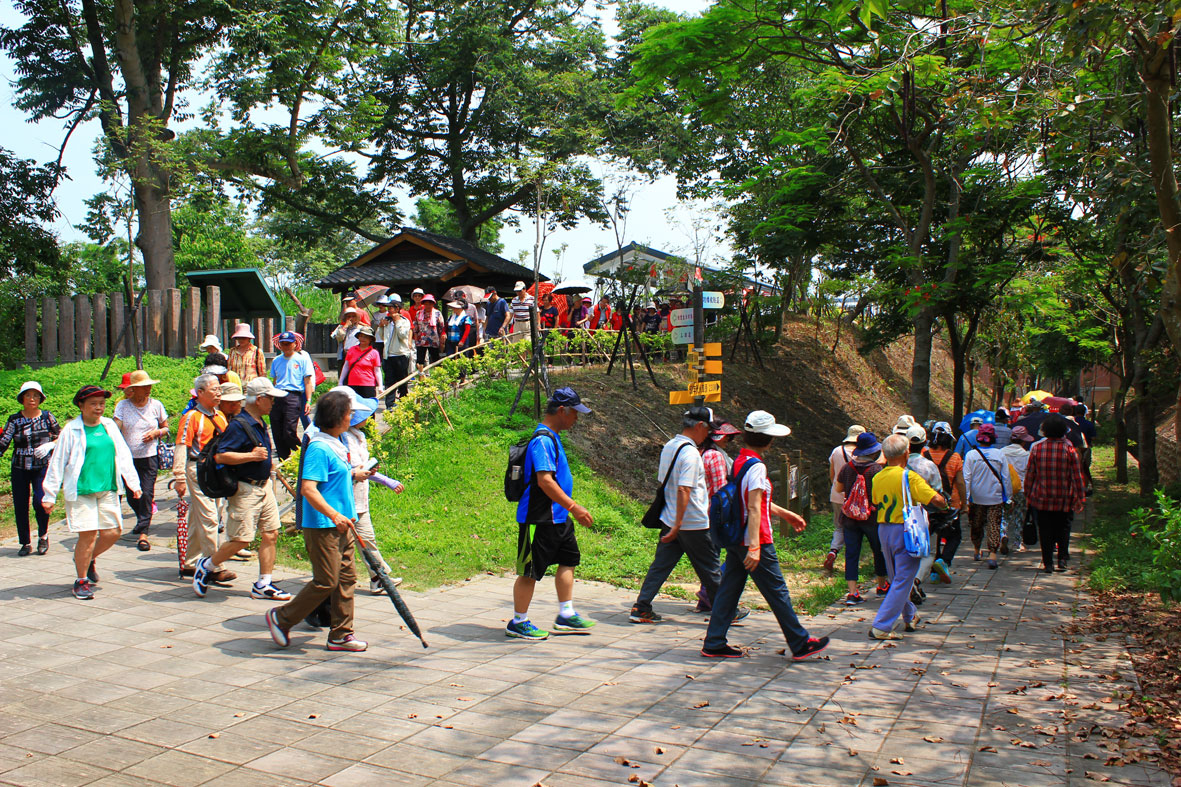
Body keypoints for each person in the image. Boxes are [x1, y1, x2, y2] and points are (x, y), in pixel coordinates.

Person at [700, 411, 829, 660]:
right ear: (769, 439)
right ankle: (800, 642)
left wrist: (786, 514)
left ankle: (714, 642)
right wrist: (756, 546)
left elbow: (753, 500)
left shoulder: (740, 460)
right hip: (754, 538)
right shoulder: (757, 466)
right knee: (777, 591)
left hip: (739, 537)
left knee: (729, 590)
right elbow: (754, 506)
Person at [266, 391, 366, 652]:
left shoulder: (336, 442)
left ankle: (341, 633)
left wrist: (356, 474)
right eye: (349, 412)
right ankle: (281, 617)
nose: (352, 416)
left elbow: (335, 478)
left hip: (344, 524)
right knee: (326, 580)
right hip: (323, 526)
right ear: (338, 417)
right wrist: (333, 514)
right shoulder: (319, 447)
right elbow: (308, 488)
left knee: (346, 579)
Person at [629, 407, 746, 625]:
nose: (708, 435)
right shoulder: (691, 453)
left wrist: (674, 523)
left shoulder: (670, 446)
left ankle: (641, 607)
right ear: (700, 426)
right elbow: (684, 489)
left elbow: (664, 482)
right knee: (711, 568)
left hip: (670, 518)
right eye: (708, 429)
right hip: (691, 522)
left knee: (660, 566)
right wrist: (680, 523)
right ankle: (728, 611)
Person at [507, 387, 596, 640]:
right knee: (530, 571)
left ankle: (565, 615)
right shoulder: (543, 440)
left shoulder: (554, 437)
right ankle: (518, 621)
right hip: (539, 518)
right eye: (575, 413)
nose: (576, 419)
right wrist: (574, 507)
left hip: (558, 518)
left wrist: (567, 511)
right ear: (561, 411)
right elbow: (545, 481)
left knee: (569, 560)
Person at [192, 378, 291, 601]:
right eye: (271, 399)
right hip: (246, 490)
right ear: (259, 399)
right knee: (242, 539)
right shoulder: (239, 425)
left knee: (271, 533)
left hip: (263, 487)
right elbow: (221, 455)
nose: (274, 403)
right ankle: (207, 565)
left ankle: (263, 583)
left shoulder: (260, 422)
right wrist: (251, 456)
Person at [42, 386, 141, 600]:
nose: (98, 408)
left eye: (102, 404)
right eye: (93, 404)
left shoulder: (109, 426)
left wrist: (134, 483)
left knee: (113, 532)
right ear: (81, 405)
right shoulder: (71, 430)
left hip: (108, 489)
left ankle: (86, 559)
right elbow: (57, 462)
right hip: (81, 491)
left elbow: (123, 454)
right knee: (87, 536)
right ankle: (81, 580)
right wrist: (49, 495)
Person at [867, 435, 947, 640]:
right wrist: (946, 503)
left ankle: (909, 615)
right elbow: (934, 499)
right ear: (906, 453)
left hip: (883, 530)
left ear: (884, 454)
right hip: (906, 531)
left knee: (896, 577)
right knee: (903, 579)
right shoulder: (908, 477)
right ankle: (882, 625)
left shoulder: (877, 477)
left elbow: (876, 500)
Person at [173, 374, 236, 583]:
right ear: (200, 393)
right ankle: (215, 565)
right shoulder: (191, 417)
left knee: (197, 517)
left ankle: (190, 563)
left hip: (215, 470)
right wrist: (179, 476)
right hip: (196, 469)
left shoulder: (219, 416)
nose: (219, 393)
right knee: (210, 518)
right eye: (214, 389)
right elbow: (181, 446)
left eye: (219, 389)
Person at [340, 392, 404, 594]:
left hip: (359, 498)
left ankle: (378, 577)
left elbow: (363, 469)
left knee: (367, 539)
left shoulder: (359, 437)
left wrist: (385, 479)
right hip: (344, 499)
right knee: (343, 546)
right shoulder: (343, 439)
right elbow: (347, 470)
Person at [0, 381, 61, 556]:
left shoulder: (47, 417)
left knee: (40, 501)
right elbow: (5, 440)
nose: (32, 399)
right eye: (28, 395)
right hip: (20, 466)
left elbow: (62, 437)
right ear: (22, 398)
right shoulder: (15, 419)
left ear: (40, 398)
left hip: (41, 466)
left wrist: (50, 445)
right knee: (20, 503)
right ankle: (25, 542)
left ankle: (43, 536)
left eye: (35, 395)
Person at [112, 370, 169, 551]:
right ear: (133, 390)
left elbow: (166, 427)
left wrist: (156, 433)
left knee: (146, 493)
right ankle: (142, 519)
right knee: (131, 495)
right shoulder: (123, 406)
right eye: (144, 387)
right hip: (127, 459)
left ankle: (143, 533)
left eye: (149, 386)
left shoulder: (156, 405)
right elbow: (116, 427)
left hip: (149, 456)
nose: (148, 390)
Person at [1024, 414, 1086, 573]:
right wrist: (1080, 497)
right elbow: (1076, 475)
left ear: (1044, 431)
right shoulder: (1069, 449)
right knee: (1064, 528)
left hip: (1042, 498)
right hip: (1064, 498)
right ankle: (1062, 559)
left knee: (1045, 530)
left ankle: (1048, 563)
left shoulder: (1037, 448)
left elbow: (1030, 474)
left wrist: (1028, 495)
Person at [835, 431, 889, 606]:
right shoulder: (876, 470)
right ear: (874, 452)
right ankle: (881, 586)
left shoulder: (847, 467)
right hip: (871, 518)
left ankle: (852, 592)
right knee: (878, 550)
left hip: (850, 518)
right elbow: (881, 495)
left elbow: (838, 489)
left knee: (852, 554)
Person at [697, 419, 742, 612]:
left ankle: (706, 598)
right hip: (713, 514)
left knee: (712, 558)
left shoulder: (704, 453)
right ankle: (709, 595)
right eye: (726, 437)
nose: (728, 441)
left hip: (703, 512)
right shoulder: (715, 456)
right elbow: (719, 489)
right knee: (717, 559)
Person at [962, 423, 1013, 569]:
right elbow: (1006, 478)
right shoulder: (1000, 454)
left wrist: (966, 499)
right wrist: (1008, 497)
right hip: (995, 497)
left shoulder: (971, 455)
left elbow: (967, 478)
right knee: (994, 524)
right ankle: (992, 555)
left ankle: (977, 550)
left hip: (976, 498)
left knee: (976, 524)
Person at [906, 424, 948, 599]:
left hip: (904, 513)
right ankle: (916, 581)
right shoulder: (929, 465)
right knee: (928, 551)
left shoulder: (900, 465)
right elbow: (937, 490)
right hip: (925, 514)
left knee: (906, 551)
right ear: (925, 442)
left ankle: (908, 584)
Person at [921, 423, 967, 572]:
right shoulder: (955, 457)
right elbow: (960, 482)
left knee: (931, 533)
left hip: (928, 503)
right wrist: (964, 503)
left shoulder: (924, 456)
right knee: (954, 536)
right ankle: (944, 561)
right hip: (950, 504)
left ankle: (932, 566)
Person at [824, 425, 865, 572]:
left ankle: (833, 550)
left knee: (839, 526)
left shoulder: (836, 451)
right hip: (856, 498)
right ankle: (852, 562)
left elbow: (832, 474)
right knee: (854, 529)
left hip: (836, 494)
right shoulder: (861, 454)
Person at [269, 331, 315, 459]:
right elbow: (275, 380)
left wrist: (308, 401)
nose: (286, 346)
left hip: (294, 395)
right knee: (277, 430)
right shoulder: (276, 361)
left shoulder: (301, 359)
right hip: (278, 395)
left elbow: (307, 381)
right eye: (283, 344)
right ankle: (284, 458)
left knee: (289, 430)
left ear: (295, 344)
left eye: (288, 344)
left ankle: (302, 452)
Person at [1001, 425, 1034, 553]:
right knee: (1019, 516)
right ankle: (1017, 542)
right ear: (1023, 440)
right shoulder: (1026, 455)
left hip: (1005, 490)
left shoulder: (1001, 452)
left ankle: (1003, 535)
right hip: (1021, 489)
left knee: (1004, 515)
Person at [379, 294, 414, 407]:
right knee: (389, 381)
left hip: (401, 354)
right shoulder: (386, 321)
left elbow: (402, 335)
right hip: (388, 355)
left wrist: (397, 321)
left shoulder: (404, 321)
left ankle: (404, 402)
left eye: (391, 308)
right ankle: (389, 404)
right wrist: (381, 326)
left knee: (402, 380)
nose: (389, 310)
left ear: (397, 309)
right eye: (388, 308)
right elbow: (381, 336)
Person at [340, 325, 383, 398]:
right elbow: (346, 366)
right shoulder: (352, 350)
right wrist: (340, 381)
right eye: (361, 336)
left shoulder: (374, 352)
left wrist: (380, 386)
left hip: (368, 384)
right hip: (352, 383)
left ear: (370, 339)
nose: (363, 338)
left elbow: (377, 371)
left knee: (367, 406)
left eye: (366, 337)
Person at [413, 294, 445, 372]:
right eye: (426, 303)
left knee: (435, 359)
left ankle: (438, 376)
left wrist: (442, 337)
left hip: (433, 340)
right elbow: (416, 326)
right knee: (420, 360)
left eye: (430, 303)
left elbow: (441, 326)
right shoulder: (418, 313)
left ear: (433, 304)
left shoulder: (437, 313)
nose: (428, 305)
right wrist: (416, 335)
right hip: (421, 340)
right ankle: (421, 377)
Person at [1074, 403, 1096, 494]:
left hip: (1073, 449)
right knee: (1085, 469)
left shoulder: (1072, 423)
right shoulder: (1089, 424)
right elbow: (1094, 437)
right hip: (1086, 449)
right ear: (1084, 413)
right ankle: (1085, 488)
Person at [333, 308, 363, 373]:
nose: (351, 318)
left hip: (357, 355)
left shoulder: (361, 328)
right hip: (344, 355)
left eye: (353, 316)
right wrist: (345, 326)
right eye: (349, 317)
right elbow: (339, 338)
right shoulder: (341, 328)